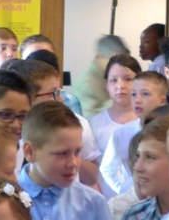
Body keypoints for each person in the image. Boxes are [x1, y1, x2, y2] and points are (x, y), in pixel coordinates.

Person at [7, 57, 101, 188]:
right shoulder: (11, 135)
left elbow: (92, 177)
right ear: (28, 98)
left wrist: (69, 153)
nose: (61, 99)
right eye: (53, 93)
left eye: (59, 92)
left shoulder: (74, 123)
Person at [98, 71, 169, 198]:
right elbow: (107, 169)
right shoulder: (121, 133)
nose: (137, 100)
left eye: (145, 94)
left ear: (162, 101)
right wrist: (123, 190)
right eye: (134, 94)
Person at [86, 53, 139, 156]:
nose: (120, 86)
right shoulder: (94, 124)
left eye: (128, 79)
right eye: (114, 80)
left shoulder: (147, 122)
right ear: (106, 84)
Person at [73, 35, 129, 117]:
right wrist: (119, 101)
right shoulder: (86, 83)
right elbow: (88, 120)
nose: (118, 67)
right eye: (113, 61)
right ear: (99, 56)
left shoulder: (112, 77)